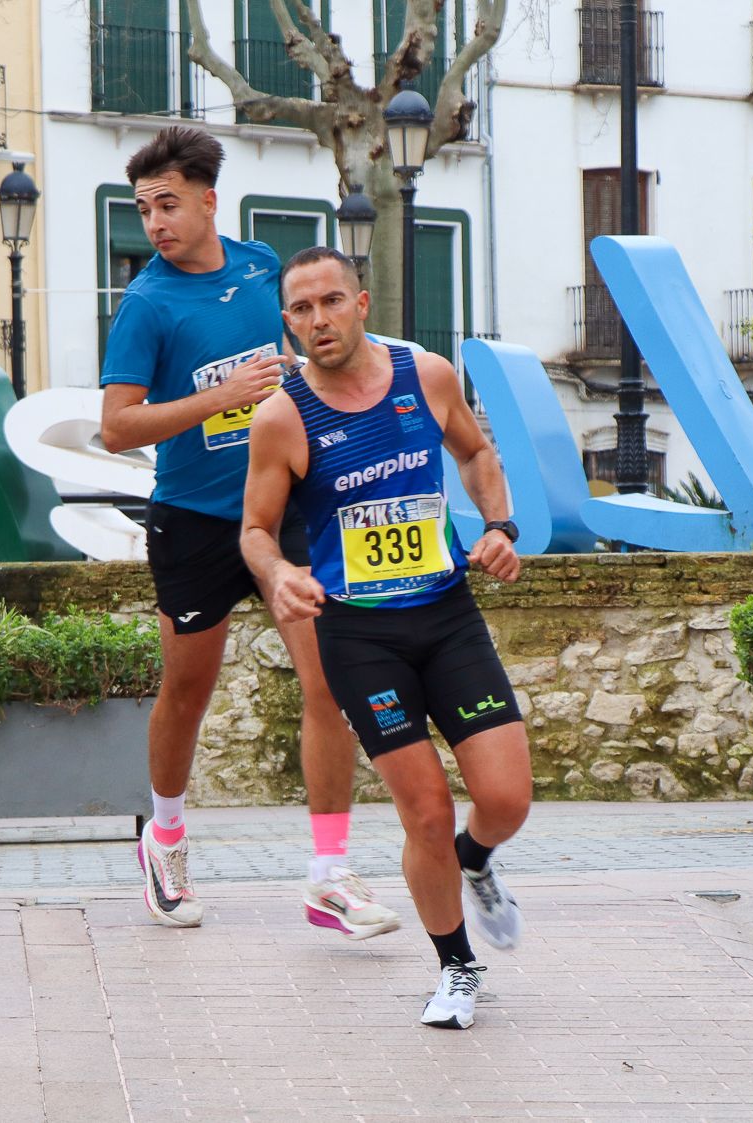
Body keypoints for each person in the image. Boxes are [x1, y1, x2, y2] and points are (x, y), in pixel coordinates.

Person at [97, 127, 400, 938]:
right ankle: (164, 841)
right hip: (193, 521)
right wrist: (221, 396)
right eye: (142, 209)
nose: (155, 222)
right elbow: (117, 428)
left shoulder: (265, 268)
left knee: (327, 681)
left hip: (289, 506)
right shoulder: (147, 304)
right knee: (188, 693)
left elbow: (302, 356)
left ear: (207, 200)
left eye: (167, 204)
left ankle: (329, 874)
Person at [242, 246, 531, 1030]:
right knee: (426, 812)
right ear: (288, 322)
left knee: (505, 799)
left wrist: (500, 525)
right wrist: (277, 577)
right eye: (300, 310)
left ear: (362, 303)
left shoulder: (426, 376)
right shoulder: (283, 416)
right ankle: (457, 966)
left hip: (445, 614)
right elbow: (257, 530)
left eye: (330, 301)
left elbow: (474, 451)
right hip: (359, 635)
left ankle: (477, 859)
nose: (317, 321)